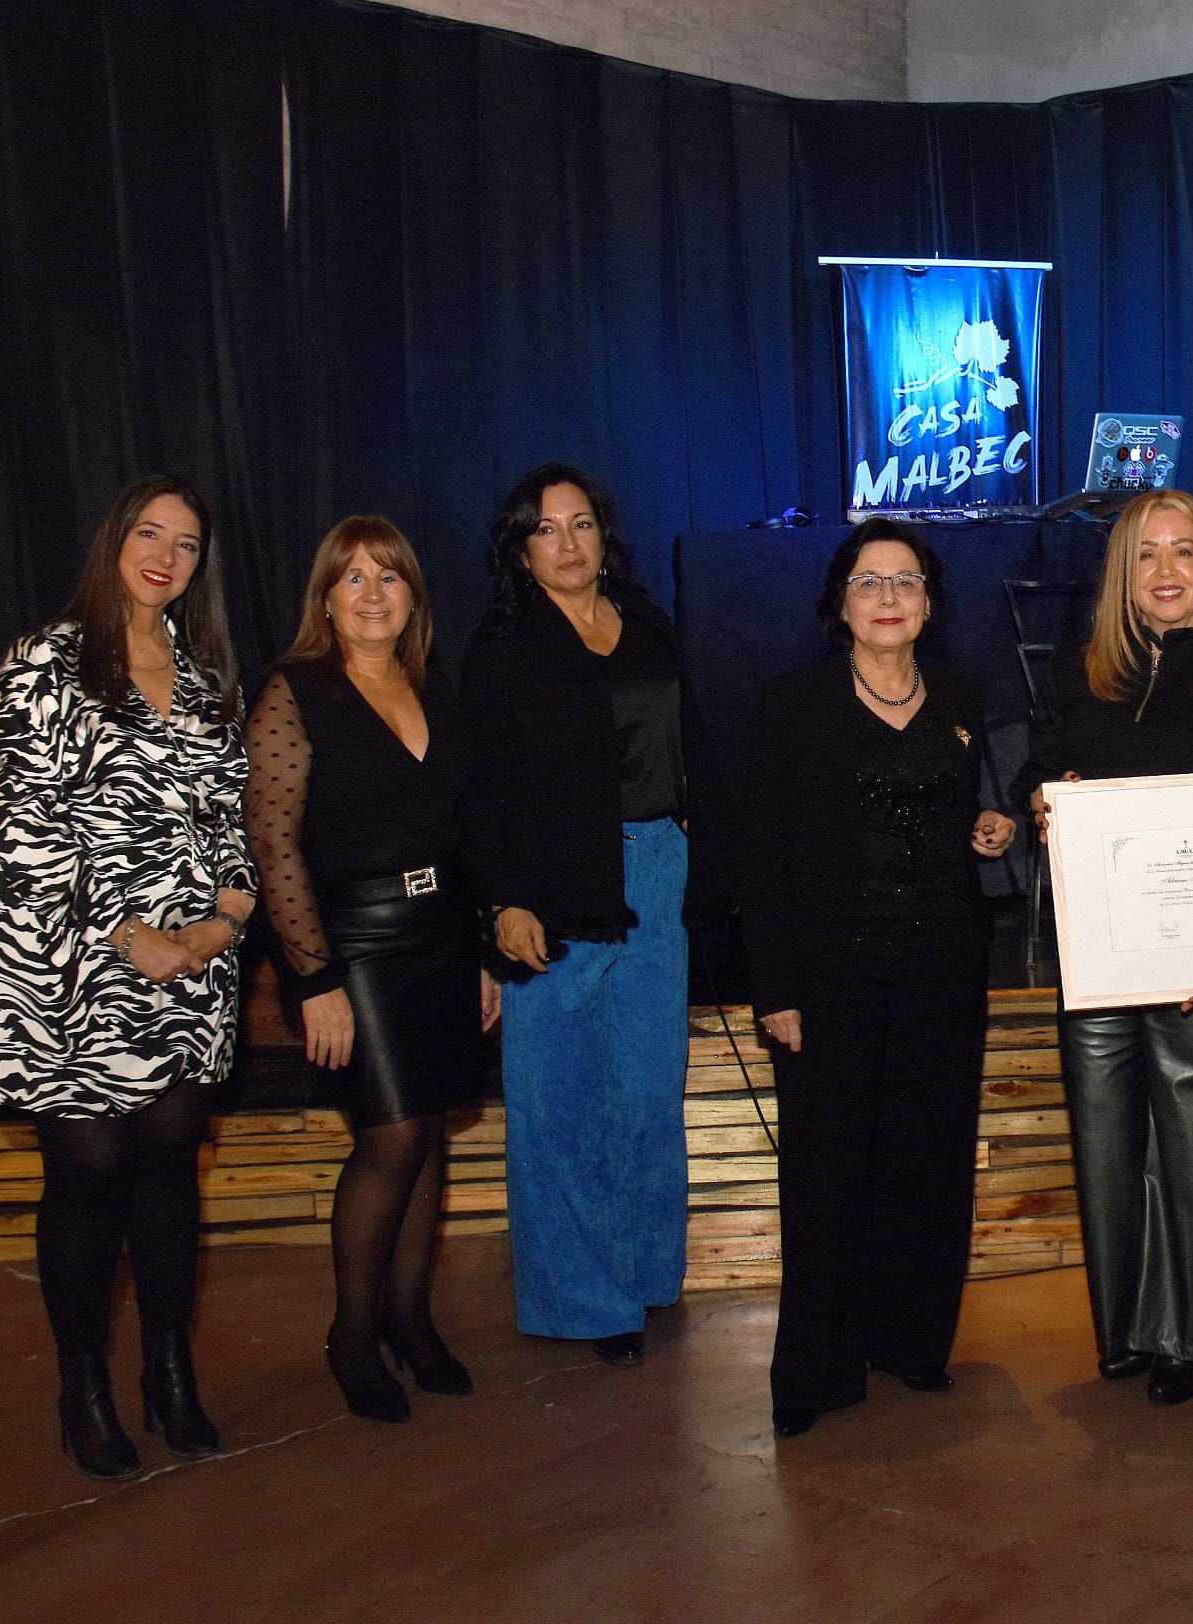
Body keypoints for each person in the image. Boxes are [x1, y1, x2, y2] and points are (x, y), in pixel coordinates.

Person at [0, 475, 256, 1478]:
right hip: (71, 964)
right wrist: (123, 933)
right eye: (151, 532)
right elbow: (20, 821)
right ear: (116, 540)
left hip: (191, 965)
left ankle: (170, 1373)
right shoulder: (46, 661)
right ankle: (82, 1383)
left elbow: (230, 821)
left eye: (186, 543)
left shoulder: (204, 674)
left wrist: (224, 920)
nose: (166, 555)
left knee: (171, 1166)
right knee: (91, 1171)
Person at [1015, 490, 1193, 1407]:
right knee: (1104, 1136)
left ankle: (1186, 1332)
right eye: (1146, 555)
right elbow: (1038, 767)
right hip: (1098, 948)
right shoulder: (1075, 668)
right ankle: (1125, 1328)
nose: (1166, 571)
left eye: (1185, 553)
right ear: (1121, 575)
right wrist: (1039, 796)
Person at [742, 521, 1016, 1438]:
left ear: (930, 604)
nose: (889, 596)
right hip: (831, 977)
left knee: (927, 1163)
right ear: (840, 604)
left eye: (906, 581)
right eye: (870, 582)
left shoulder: (964, 695)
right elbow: (763, 858)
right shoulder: (792, 703)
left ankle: (911, 1343)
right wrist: (774, 987)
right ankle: (815, 1368)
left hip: (943, 963)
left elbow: (958, 809)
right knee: (828, 1171)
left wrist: (988, 825)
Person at [463, 464, 721, 1366]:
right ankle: (581, 1301)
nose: (568, 544)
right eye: (547, 528)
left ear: (605, 536)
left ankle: (647, 1276)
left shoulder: (649, 626)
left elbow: (693, 745)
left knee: (650, 1089)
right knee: (560, 1100)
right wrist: (503, 903)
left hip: (656, 871)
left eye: (582, 525)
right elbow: (482, 791)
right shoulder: (503, 646)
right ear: (520, 548)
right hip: (553, 887)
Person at [244, 517, 496, 1423]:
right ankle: (352, 1335)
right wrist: (313, 981)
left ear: (412, 597)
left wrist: (479, 955)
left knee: (428, 1131)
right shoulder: (295, 691)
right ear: (325, 600)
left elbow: (462, 835)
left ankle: (410, 1321)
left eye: (388, 578)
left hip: (440, 939)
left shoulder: (437, 688)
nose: (372, 594)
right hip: (354, 943)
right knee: (390, 1136)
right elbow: (272, 846)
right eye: (351, 580)